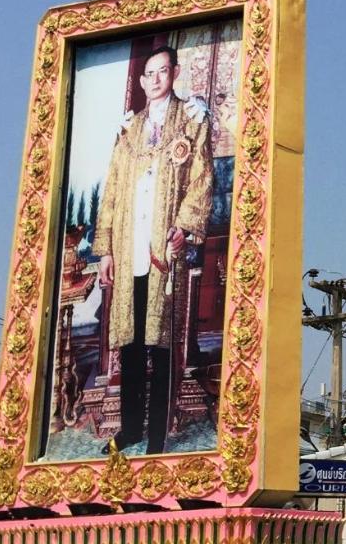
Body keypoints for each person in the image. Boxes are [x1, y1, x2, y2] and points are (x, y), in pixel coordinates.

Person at [93, 44, 213, 455]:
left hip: (165, 249)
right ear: (142, 80)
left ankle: (158, 434)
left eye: (164, 71)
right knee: (129, 342)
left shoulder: (192, 121)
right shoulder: (129, 131)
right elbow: (110, 193)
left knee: (161, 345)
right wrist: (106, 249)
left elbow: (201, 180)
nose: (157, 78)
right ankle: (130, 428)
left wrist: (183, 227)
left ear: (174, 73)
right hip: (129, 251)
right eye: (150, 73)